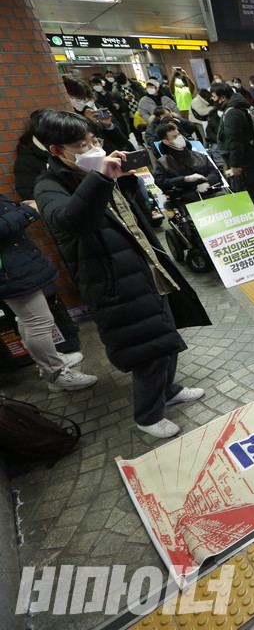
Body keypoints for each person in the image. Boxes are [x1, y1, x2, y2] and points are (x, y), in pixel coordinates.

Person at [32, 110, 210, 437]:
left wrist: (121, 176)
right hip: (113, 281)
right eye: (81, 144)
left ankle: (167, 392)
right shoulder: (49, 185)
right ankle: (148, 415)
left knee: (165, 336)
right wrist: (101, 178)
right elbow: (74, 222)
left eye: (93, 140)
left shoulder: (102, 171)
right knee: (147, 350)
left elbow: (128, 214)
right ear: (57, 150)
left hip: (145, 265)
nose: (92, 148)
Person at [1, 194, 97, 392]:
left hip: (15, 266)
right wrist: (29, 211)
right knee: (38, 322)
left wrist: (19, 207)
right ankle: (55, 373)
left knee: (29, 320)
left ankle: (49, 360)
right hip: (9, 272)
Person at [212, 83, 254, 227]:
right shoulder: (241, 107)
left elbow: (235, 141)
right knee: (253, 189)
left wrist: (234, 164)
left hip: (244, 159)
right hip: (250, 155)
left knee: (250, 190)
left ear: (222, 98)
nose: (213, 100)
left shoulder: (232, 112)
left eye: (214, 97)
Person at [153, 122, 223, 204]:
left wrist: (207, 182)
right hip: (186, 199)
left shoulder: (200, 156)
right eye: (175, 137)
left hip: (208, 192)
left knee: (223, 196)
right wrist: (185, 179)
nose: (179, 137)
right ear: (166, 141)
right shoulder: (163, 163)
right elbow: (161, 182)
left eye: (179, 134)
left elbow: (215, 173)